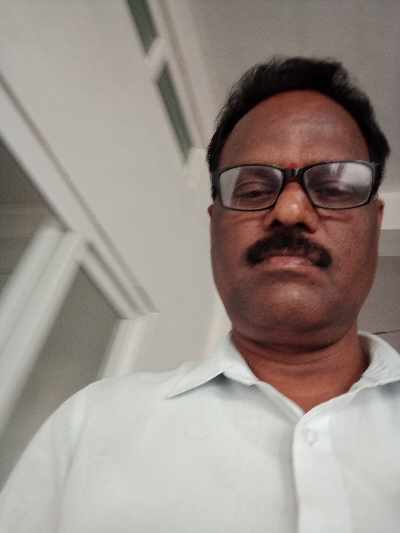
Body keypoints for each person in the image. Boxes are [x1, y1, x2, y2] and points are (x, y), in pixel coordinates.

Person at [0, 56, 399, 533]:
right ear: (215, 226)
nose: (291, 210)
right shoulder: (90, 423)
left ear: (376, 222)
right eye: (253, 190)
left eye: (333, 187)